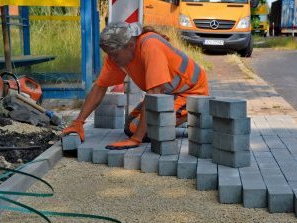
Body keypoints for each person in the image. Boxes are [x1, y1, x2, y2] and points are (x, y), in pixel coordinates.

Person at [62, 22, 209, 150]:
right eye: (109, 54)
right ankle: (173, 121)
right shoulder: (117, 54)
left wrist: (136, 139)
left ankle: (198, 118)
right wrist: (78, 122)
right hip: (167, 94)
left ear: (130, 45)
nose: (111, 59)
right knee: (129, 126)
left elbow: (154, 94)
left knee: (136, 130)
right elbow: (100, 87)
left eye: (115, 54)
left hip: (192, 95)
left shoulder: (150, 46)